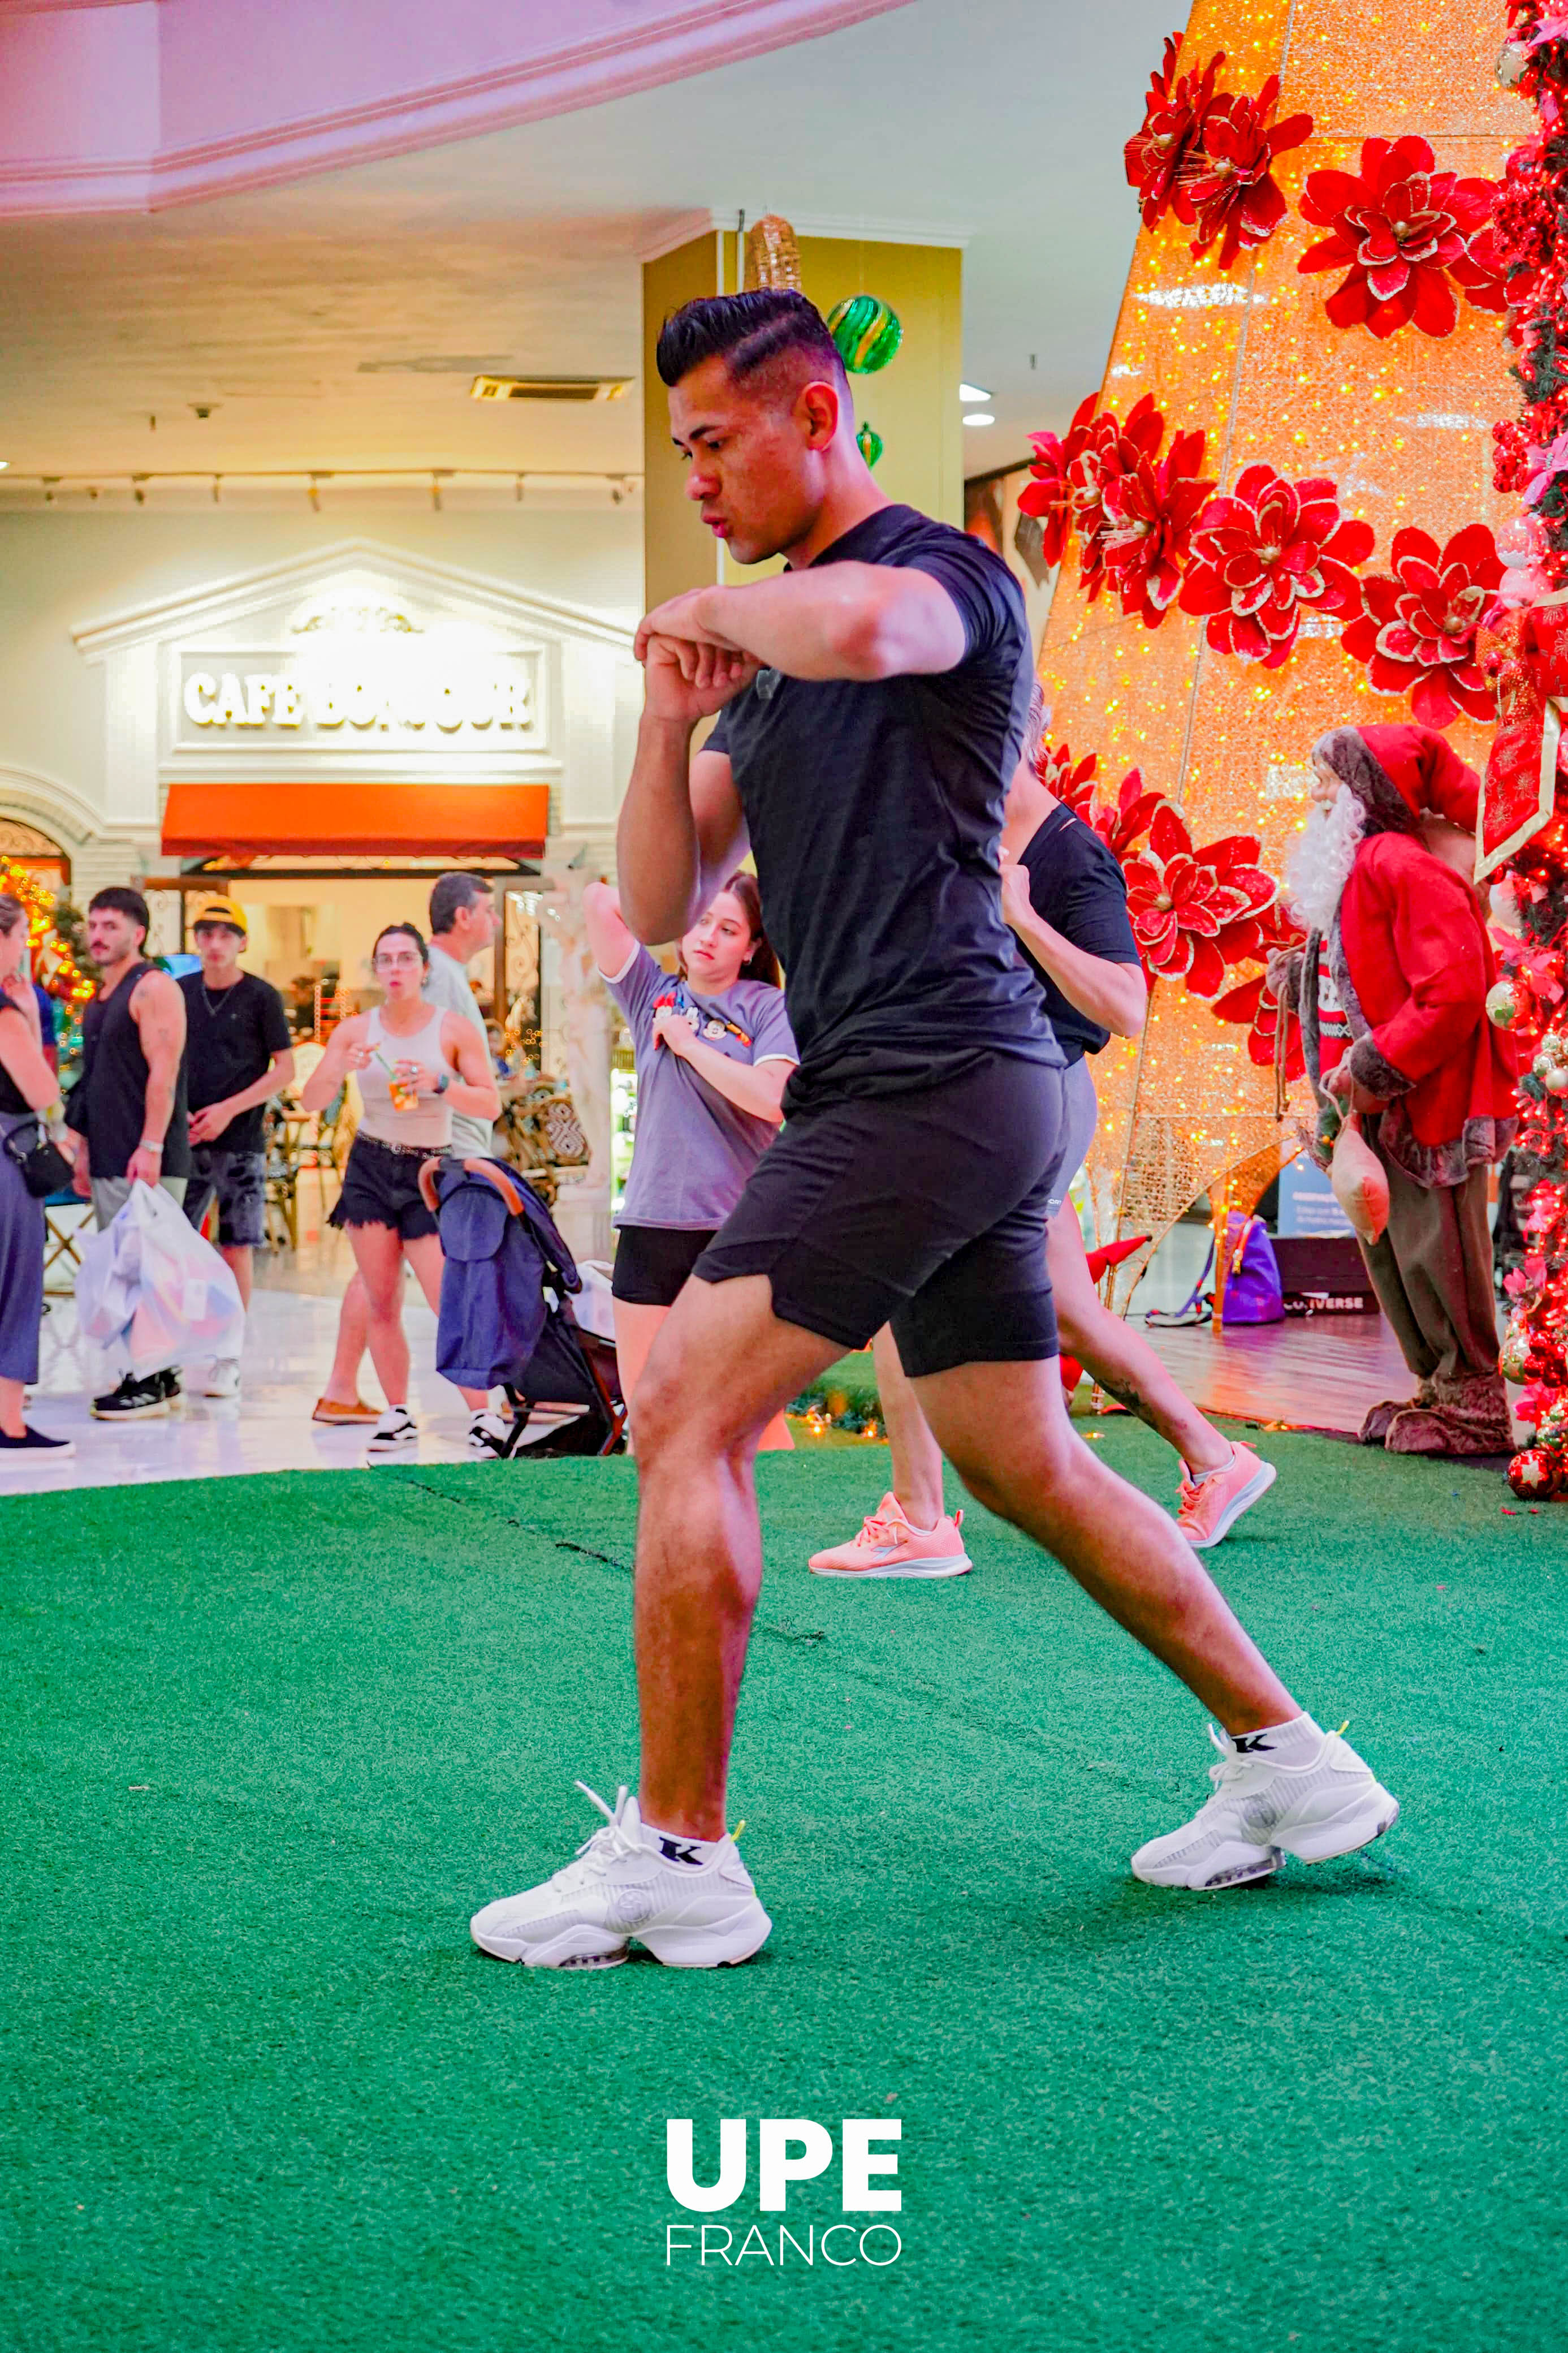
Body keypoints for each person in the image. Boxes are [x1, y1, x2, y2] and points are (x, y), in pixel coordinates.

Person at [469, 288, 1397, 1971]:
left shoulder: (940, 578)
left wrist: (714, 609)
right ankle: (1298, 1766)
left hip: (933, 1074)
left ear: (816, 414)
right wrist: (673, 709)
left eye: (712, 440)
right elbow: (672, 896)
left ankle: (681, 1855)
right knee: (1016, 1456)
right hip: (927, 1087)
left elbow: (877, 631)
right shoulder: (760, 674)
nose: (695, 475)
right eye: (676, 449)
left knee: (679, 1398)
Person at [808, 693, 1276, 1577]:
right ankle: (1217, 1461)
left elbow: (1128, 1007)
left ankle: (921, 1520)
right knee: (1067, 1309)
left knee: (900, 1284)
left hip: (1034, 1097)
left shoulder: (1070, 856)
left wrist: (1021, 915)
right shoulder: (961, 836)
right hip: (978, 1098)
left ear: (1020, 736)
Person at [1271, 722, 1517, 1456]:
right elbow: (1353, 962)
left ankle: (1473, 1396)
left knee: (1434, 1243)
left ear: (1368, 793)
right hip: (1366, 1110)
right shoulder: (1353, 868)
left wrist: (1377, 1065)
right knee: (1390, 1247)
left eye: (1328, 776)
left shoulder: (1399, 865)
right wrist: (1297, 977)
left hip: (1420, 1102)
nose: (1314, 789)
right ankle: (1436, 1386)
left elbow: (1453, 989)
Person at [585, 868, 798, 1449]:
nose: (707, 936)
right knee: (651, 1408)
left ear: (752, 946)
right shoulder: (652, 993)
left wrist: (688, 1043)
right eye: (700, 921)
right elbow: (599, 900)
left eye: (728, 928)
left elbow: (774, 1098)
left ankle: (783, 1527)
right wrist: (684, 884)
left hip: (732, 1231)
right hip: (651, 1226)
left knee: (751, 1410)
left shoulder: (766, 1006)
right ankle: (671, 1538)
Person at [299, 921, 501, 1457]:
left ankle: (485, 1412)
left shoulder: (453, 1029)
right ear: (375, 969)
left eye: (405, 959)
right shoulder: (356, 1031)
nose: (395, 969)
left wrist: (440, 1085)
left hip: (426, 1172)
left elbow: (490, 1103)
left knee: (446, 1298)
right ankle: (396, 1411)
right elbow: (310, 1101)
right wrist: (339, 1066)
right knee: (382, 1297)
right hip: (369, 1165)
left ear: (424, 969)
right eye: (385, 960)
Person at [67, 887, 191, 1421]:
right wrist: (83, 1151)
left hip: (146, 1155)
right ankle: (151, 1374)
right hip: (111, 1153)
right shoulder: (101, 996)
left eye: (111, 926)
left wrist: (152, 1145)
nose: (98, 935)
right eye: (93, 925)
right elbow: (96, 1082)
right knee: (125, 1269)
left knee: (149, 1269)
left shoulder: (153, 988)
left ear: (138, 933)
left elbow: (163, 1075)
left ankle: (150, 1379)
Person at [178, 895, 295, 1399]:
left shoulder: (262, 997)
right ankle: (171, 1351)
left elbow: (284, 1070)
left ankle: (229, 1354)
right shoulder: (178, 992)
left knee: (236, 1246)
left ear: (243, 942)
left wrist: (229, 1108)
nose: (215, 943)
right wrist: (174, 1110)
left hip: (241, 1140)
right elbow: (160, 1057)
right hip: (182, 1137)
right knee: (176, 1244)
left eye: (226, 934)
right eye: (206, 933)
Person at [0, 895, 74, 1456]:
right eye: (22, 934)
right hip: (8, 1154)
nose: (26, 947)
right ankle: (9, 1421)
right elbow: (43, 1090)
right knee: (16, 1284)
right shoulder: (5, 1009)